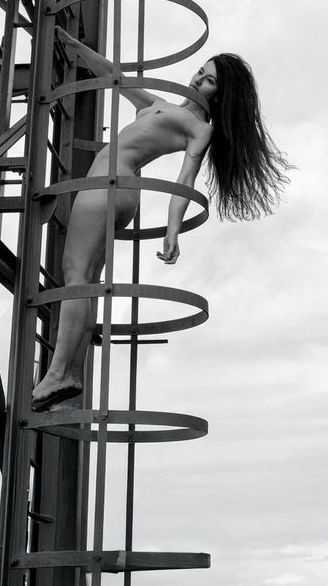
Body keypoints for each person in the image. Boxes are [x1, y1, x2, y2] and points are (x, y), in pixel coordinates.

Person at [31, 26, 289, 411]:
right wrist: (74, 45)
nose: (197, 80)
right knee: (86, 281)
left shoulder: (199, 128)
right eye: (200, 72)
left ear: (221, 95)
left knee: (75, 274)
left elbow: (184, 182)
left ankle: (58, 373)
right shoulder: (158, 104)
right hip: (121, 191)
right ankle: (71, 374)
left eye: (209, 81)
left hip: (107, 186)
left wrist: (172, 232)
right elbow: (113, 75)